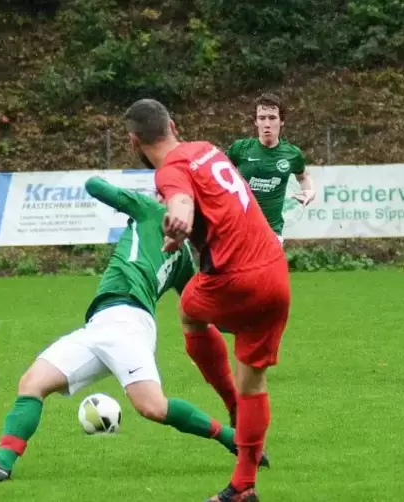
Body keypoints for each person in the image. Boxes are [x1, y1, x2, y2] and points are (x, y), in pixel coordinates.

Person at [0, 176, 267, 482]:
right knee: (33, 382)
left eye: (163, 193)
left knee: (153, 407)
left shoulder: (149, 209)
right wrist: (241, 321)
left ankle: (234, 439)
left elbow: (93, 186)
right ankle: (1, 462)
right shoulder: (186, 259)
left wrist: (128, 199)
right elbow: (199, 309)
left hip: (126, 323)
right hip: (101, 325)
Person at [123, 98, 290, 502]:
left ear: (133, 141)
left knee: (188, 313)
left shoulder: (170, 170)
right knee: (254, 377)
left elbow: (181, 199)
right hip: (274, 270)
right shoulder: (207, 149)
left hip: (232, 278)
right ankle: (243, 485)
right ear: (174, 124)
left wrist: (178, 218)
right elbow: (213, 202)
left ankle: (231, 405)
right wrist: (182, 231)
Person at [225, 92, 315, 243]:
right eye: (262, 118)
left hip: (272, 233)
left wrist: (310, 191)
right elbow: (217, 173)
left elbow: (304, 176)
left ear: (282, 121)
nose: (267, 123)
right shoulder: (239, 149)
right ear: (256, 122)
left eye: (272, 118)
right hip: (240, 231)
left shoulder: (292, 154)